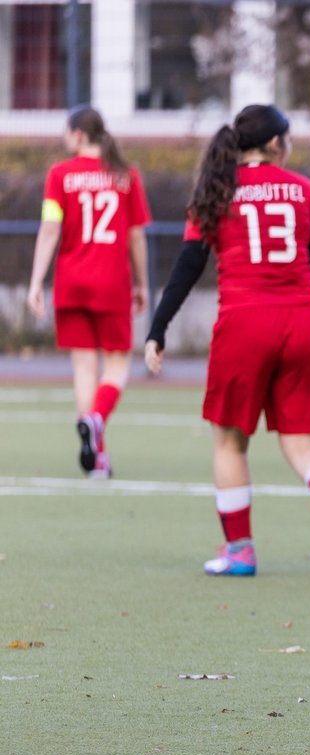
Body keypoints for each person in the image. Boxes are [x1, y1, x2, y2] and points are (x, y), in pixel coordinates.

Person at [143, 104, 310, 580]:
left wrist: (158, 328)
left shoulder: (216, 191)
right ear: (272, 144)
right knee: (302, 442)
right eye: (288, 137)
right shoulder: (304, 190)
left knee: (229, 442)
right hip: (303, 319)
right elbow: (303, 256)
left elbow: (187, 266)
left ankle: (240, 551)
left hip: (245, 322)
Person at [27, 106, 150, 478]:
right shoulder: (126, 176)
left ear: (78, 135)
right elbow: (135, 235)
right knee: (117, 365)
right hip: (112, 282)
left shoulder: (59, 175)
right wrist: (142, 282)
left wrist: (36, 280)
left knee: (84, 368)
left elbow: (50, 229)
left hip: (71, 281)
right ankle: (97, 421)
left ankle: (98, 456)